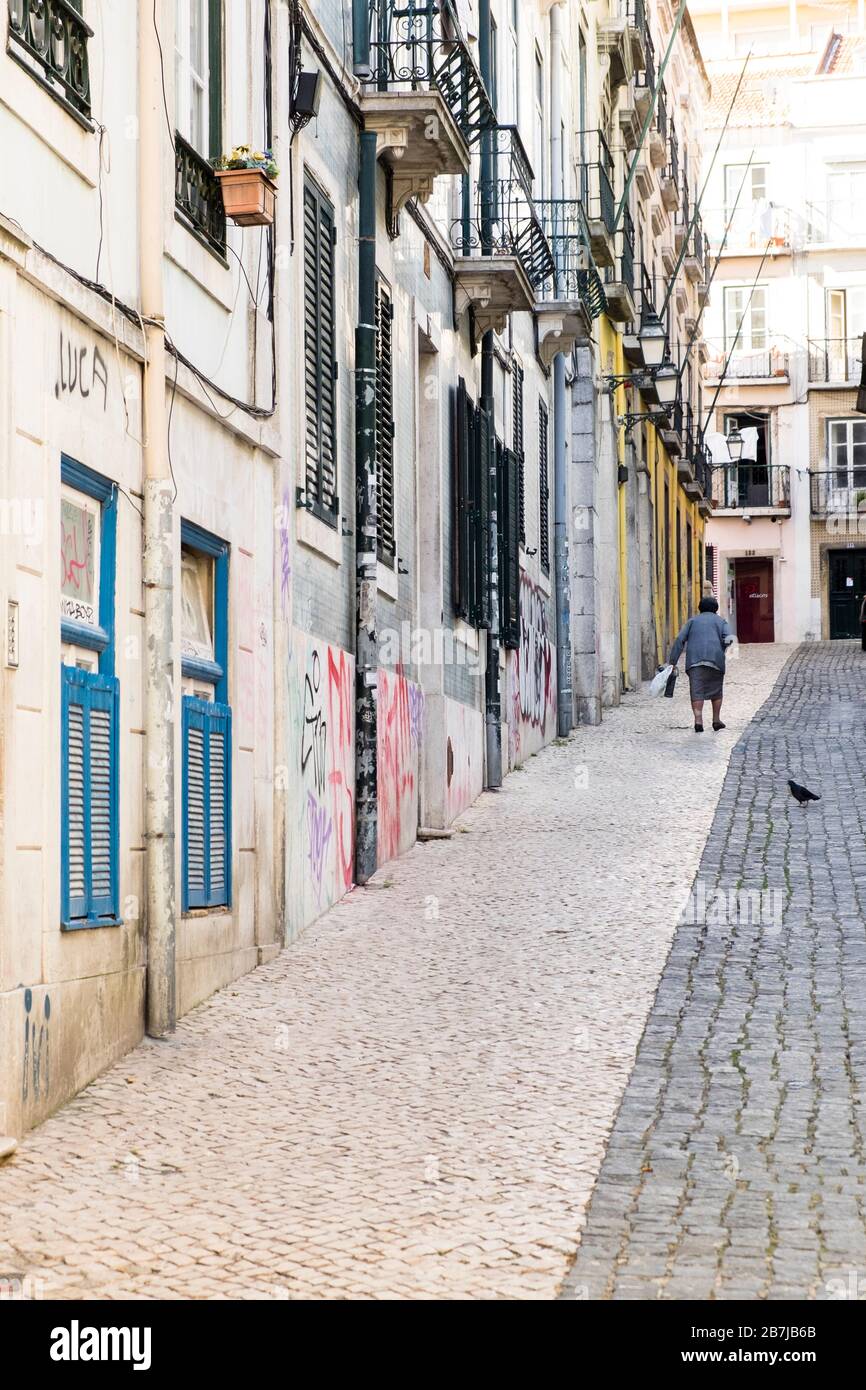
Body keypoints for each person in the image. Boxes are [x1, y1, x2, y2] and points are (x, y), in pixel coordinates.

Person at [668, 596, 735, 734]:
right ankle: (716, 720)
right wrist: (722, 647)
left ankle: (698, 721)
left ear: (700, 608)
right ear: (715, 609)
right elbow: (729, 638)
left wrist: (673, 661)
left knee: (696, 690)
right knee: (716, 690)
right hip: (715, 660)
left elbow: (680, 639)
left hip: (695, 660)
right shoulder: (721, 621)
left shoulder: (692, 621)